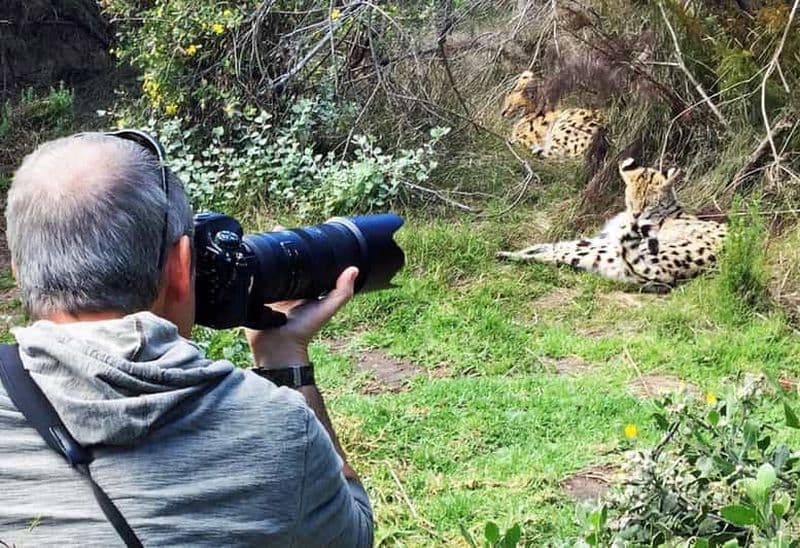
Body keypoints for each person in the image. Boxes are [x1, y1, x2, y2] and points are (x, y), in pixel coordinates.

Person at [0, 132, 373, 546]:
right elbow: (352, 535)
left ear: (18, 272)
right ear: (180, 267)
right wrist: (285, 359)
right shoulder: (280, 430)